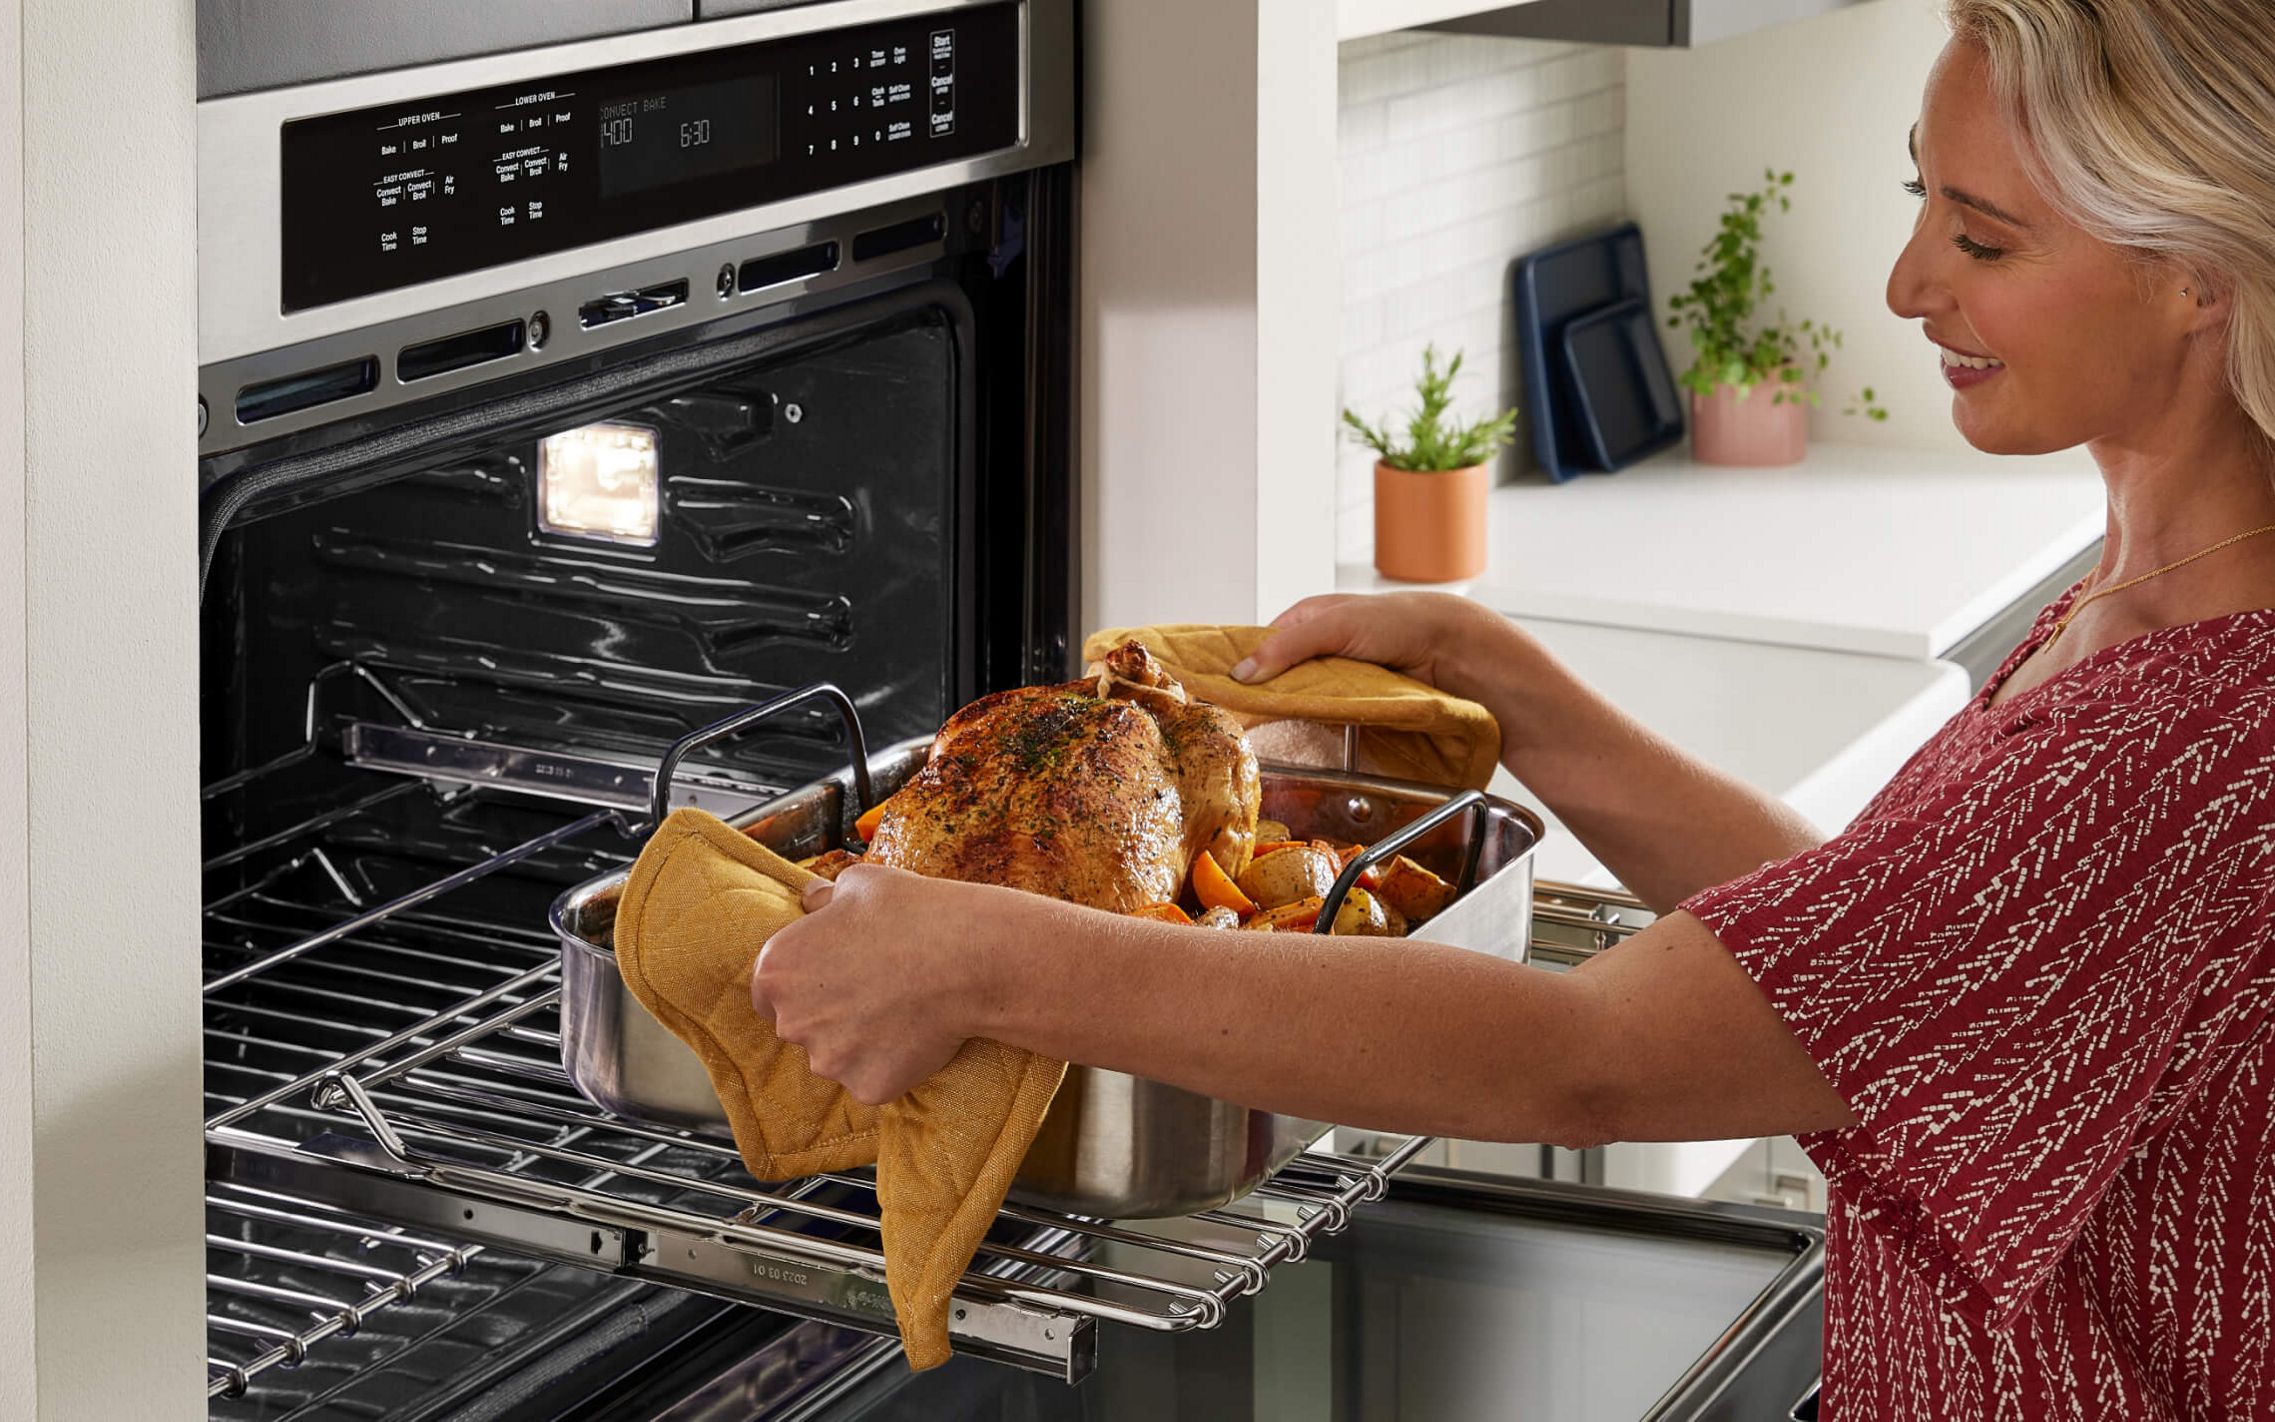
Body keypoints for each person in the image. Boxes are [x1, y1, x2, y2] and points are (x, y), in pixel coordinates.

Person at [748, 1, 2275, 1415]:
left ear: (2200, 271)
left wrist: (988, 957)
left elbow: (1587, 1058)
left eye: (1985, 238)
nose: (1908, 282)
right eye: (1921, 200)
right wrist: (1498, 685)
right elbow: (1841, 949)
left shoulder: (2173, 739)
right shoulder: (2144, 599)